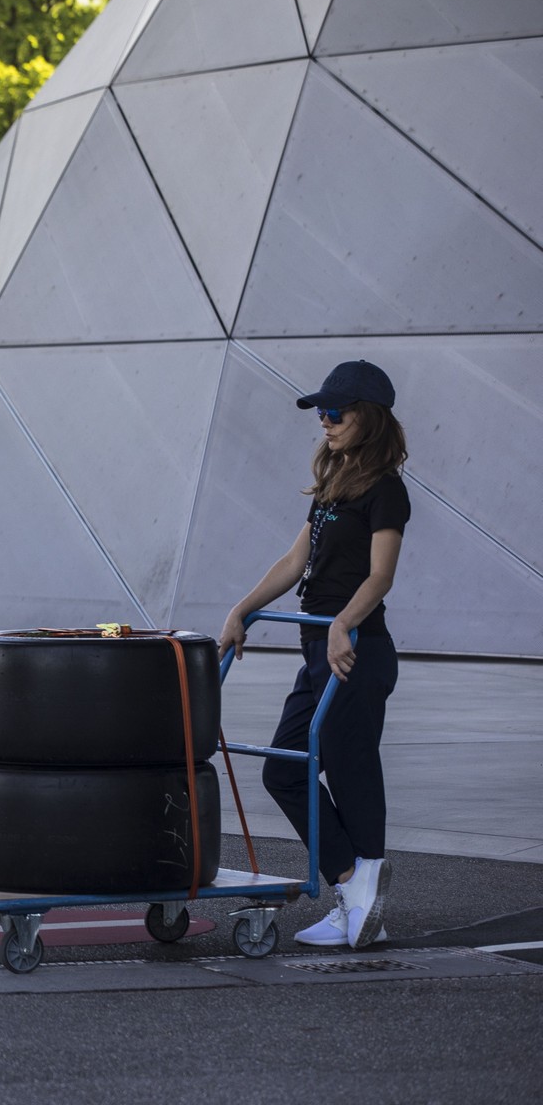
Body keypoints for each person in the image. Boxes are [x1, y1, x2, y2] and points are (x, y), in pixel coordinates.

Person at [218, 359, 410, 950]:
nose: (324, 423)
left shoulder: (386, 491)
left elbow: (380, 577)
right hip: (321, 647)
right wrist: (241, 610)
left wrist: (343, 624)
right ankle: (354, 883)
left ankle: (364, 885)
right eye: (320, 413)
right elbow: (294, 562)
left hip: (357, 649)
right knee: (284, 767)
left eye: (336, 413)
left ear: (369, 421)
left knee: (349, 765)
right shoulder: (333, 485)